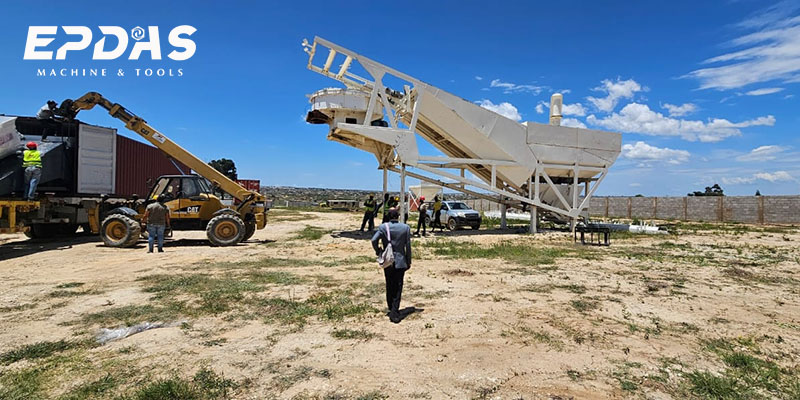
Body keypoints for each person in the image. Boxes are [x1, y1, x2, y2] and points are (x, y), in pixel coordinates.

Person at [371, 208, 412, 323]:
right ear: (398, 216)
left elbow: (374, 240)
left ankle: (390, 307)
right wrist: (408, 261)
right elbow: (407, 247)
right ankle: (395, 310)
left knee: (389, 283)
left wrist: (379, 251)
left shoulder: (383, 227)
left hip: (388, 261)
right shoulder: (405, 228)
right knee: (398, 286)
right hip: (400, 260)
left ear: (388, 216)